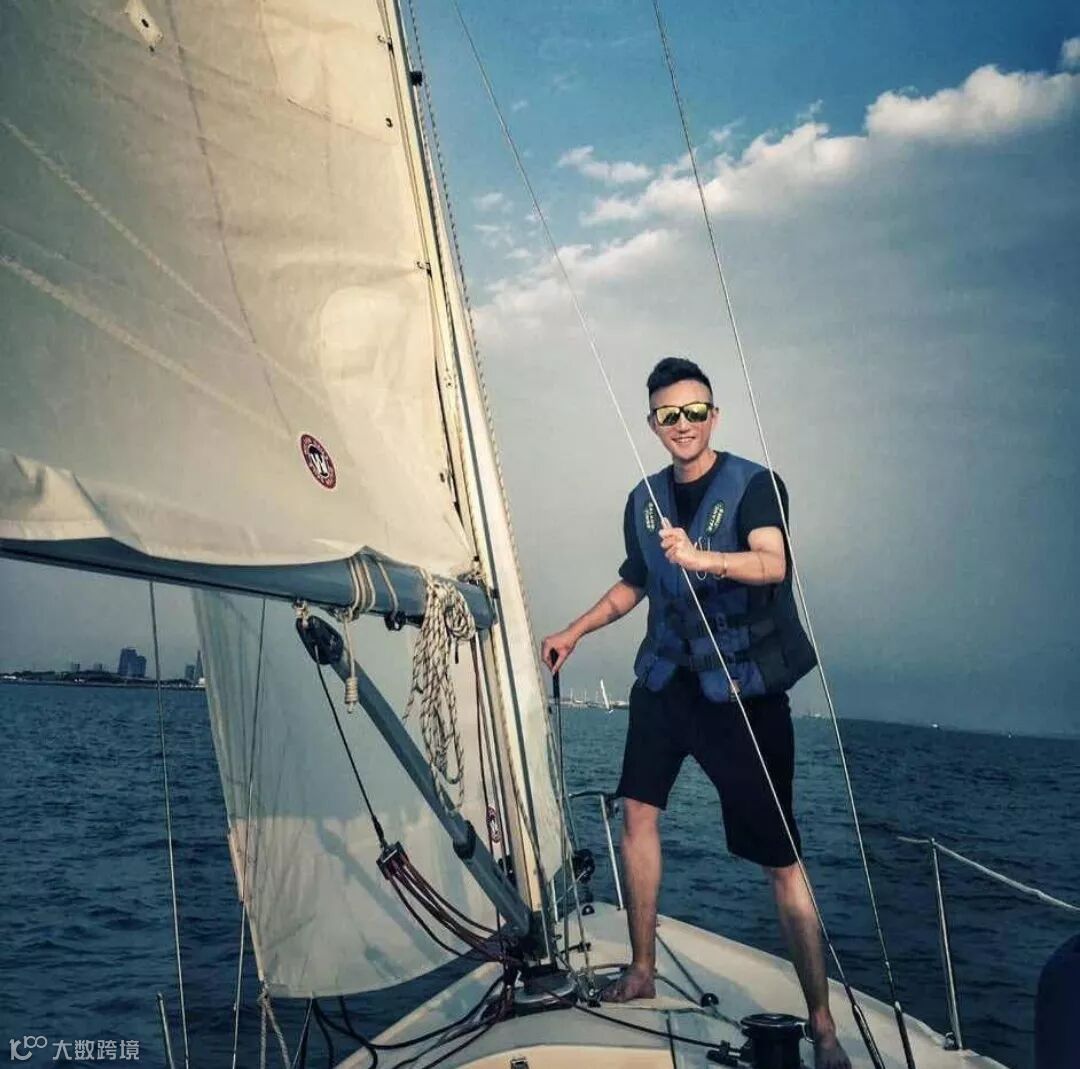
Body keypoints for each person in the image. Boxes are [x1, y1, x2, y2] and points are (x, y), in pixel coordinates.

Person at [540, 356, 850, 1069]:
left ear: (714, 415)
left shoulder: (756, 484)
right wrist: (574, 631)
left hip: (741, 693)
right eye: (668, 415)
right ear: (653, 423)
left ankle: (823, 1025)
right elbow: (635, 582)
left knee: (782, 860)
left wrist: (704, 557)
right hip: (666, 683)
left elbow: (772, 562)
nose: (682, 424)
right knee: (637, 812)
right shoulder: (642, 499)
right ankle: (642, 968)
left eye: (694, 411)